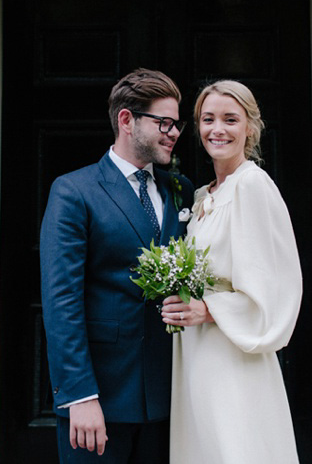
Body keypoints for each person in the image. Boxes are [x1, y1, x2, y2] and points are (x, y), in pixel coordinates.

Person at [40, 68, 194, 463]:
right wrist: (80, 396)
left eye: (177, 124)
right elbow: (62, 301)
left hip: (171, 398)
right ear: (126, 120)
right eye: (164, 122)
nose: (174, 132)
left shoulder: (182, 190)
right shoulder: (74, 191)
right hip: (99, 401)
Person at [160, 80, 303, 463]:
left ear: (250, 128)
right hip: (196, 352)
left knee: (235, 448)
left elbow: (278, 286)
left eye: (230, 119)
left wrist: (208, 310)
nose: (217, 129)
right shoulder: (204, 196)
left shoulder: (253, 186)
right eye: (208, 119)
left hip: (232, 354)